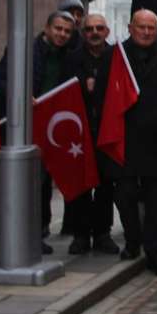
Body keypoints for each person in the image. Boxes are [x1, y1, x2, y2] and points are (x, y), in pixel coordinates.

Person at [94, 10, 157, 275]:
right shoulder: (114, 56)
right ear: (131, 28)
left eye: (151, 28)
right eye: (141, 27)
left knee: (156, 201)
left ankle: (155, 252)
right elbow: (102, 95)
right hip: (124, 139)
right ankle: (133, 241)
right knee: (125, 196)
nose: (146, 32)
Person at [0, 10, 74, 253]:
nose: (62, 34)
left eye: (67, 32)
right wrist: (19, 96)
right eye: (58, 29)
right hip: (21, 126)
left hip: (50, 128)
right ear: (48, 28)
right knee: (25, 184)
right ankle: (21, 235)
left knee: (42, 184)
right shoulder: (25, 50)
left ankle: (38, 232)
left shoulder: (69, 57)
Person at [63, 14, 121, 256]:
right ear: (82, 32)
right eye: (89, 29)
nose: (94, 33)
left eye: (99, 28)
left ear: (107, 32)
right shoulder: (72, 59)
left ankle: (102, 233)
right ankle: (80, 235)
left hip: (107, 132)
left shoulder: (117, 58)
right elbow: (62, 92)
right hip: (80, 133)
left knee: (107, 185)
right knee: (81, 185)